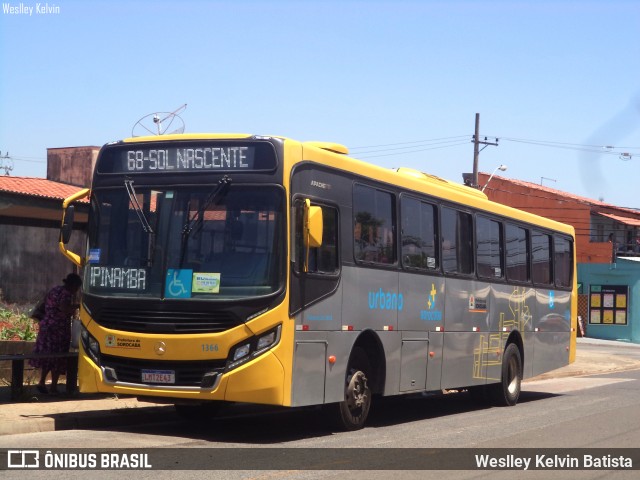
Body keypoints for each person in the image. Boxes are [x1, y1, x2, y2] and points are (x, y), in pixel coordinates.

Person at [30, 273, 82, 395]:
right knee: (58, 357)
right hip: (58, 329)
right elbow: (64, 309)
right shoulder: (66, 294)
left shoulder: (55, 289)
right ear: (73, 286)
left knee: (48, 355)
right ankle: (53, 387)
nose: (76, 291)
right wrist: (77, 306)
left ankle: (42, 381)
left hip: (46, 325)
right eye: (77, 288)